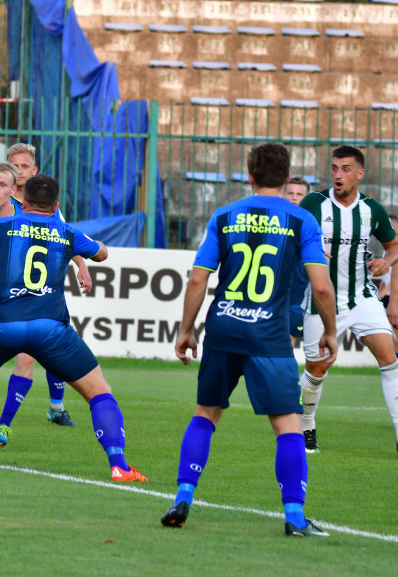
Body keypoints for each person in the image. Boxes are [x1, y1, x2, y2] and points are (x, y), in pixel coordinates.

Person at [0, 174, 148, 482]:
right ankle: (119, 465)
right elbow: (102, 254)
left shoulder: (0, 226)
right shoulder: (68, 232)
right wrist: (93, 244)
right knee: (99, 391)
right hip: (52, 329)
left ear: (23, 201)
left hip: (2, 324)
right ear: (56, 205)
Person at [160, 143, 337, 536]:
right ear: (288, 177)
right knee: (287, 424)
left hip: (223, 328)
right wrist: (330, 330)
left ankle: (183, 495)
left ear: (250, 175)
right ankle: (293, 516)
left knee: (205, 414)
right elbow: (321, 288)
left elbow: (197, 278)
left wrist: (186, 330)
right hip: (269, 335)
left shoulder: (224, 216)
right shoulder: (301, 220)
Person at [0, 161, 91, 446]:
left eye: (2, 185)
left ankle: (2, 423)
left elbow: (66, 237)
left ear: (15, 191)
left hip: (22, 303)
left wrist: (81, 266)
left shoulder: (21, 216)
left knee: (23, 359)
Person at [298, 146, 398, 454]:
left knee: (390, 359)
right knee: (317, 369)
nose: (337, 175)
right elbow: (297, 239)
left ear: (359, 173)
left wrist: (387, 262)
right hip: (321, 300)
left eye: (345, 169)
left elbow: (393, 247)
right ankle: (307, 422)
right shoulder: (315, 203)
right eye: (334, 168)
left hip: (362, 297)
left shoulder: (372, 210)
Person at [284, 176, 312, 343]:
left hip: (297, 298)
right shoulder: (273, 221)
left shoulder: (312, 225)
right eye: (290, 193)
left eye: (299, 194)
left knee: (287, 343)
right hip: (269, 295)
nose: (294, 198)